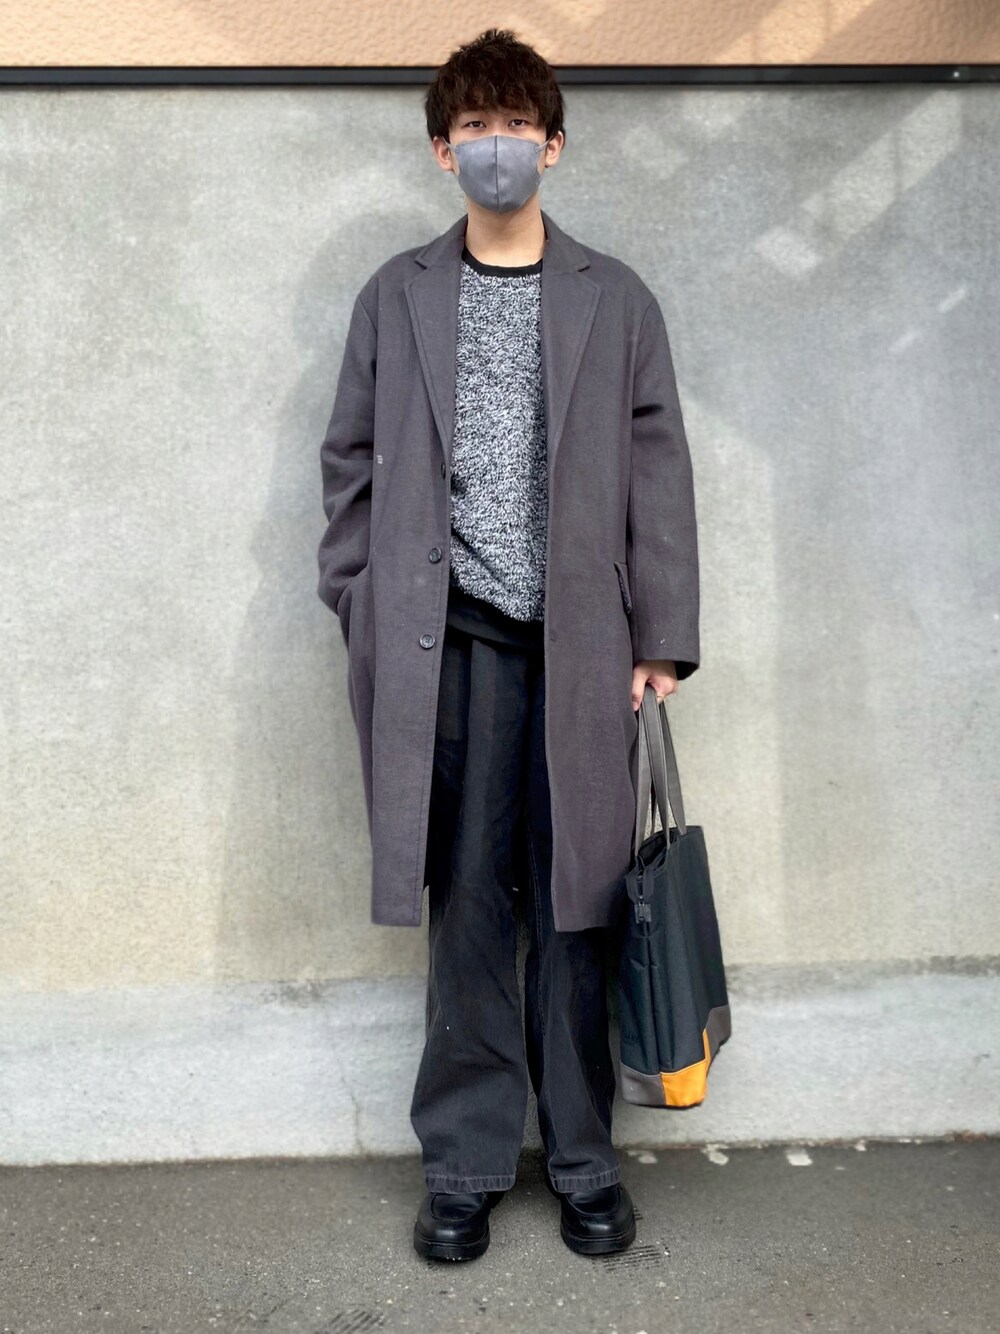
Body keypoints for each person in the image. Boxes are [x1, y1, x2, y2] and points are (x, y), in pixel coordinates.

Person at [316, 28, 700, 1263]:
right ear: (443, 151)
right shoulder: (397, 294)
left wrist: (663, 637)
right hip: (453, 651)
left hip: (582, 647)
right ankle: (466, 1165)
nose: (496, 147)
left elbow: (658, 467)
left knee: (581, 906)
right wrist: (358, 595)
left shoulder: (613, 297)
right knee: (470, 904)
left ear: (553, 144)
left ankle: (584, 1160)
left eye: (515, 127)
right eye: (473, 128)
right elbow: (348, 460)